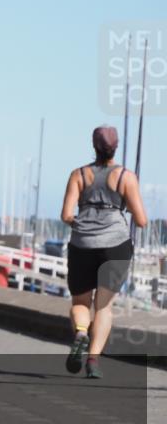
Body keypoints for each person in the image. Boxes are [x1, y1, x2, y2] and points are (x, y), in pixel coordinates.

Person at [60, 125, 146, 379]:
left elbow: (66, 215)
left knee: (80, 303)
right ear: (116, 146)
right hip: (115, 246)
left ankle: (81, 333)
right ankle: (94, 361)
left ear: (93, 145)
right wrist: (122, 208)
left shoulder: (79, 174)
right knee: (105, 306)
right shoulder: (126, 177)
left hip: (83, 244)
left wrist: (81, 221)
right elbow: (141, 220)